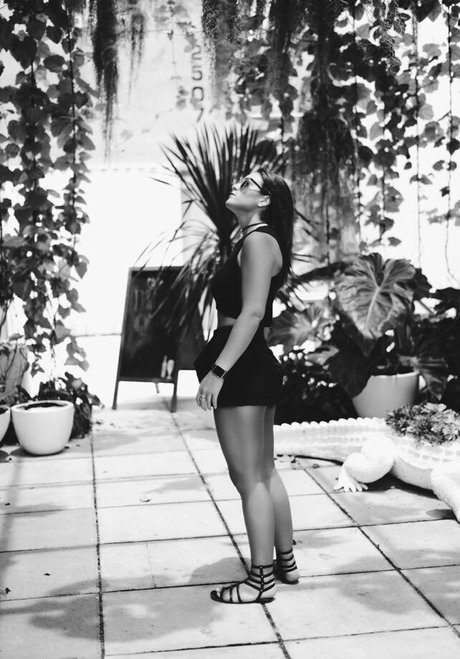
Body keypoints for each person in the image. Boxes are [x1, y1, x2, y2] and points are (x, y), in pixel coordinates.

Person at [193, 167, 300, 604]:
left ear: (265, 201)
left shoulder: (258, 241)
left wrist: (218, 371)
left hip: (240, 361)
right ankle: (284, 562)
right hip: (251, 359)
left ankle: (260, 580)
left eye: (248, 184)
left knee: (248, 478)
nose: (237, 185)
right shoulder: (256, 240)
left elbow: (253, 312)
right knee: (264, 471)